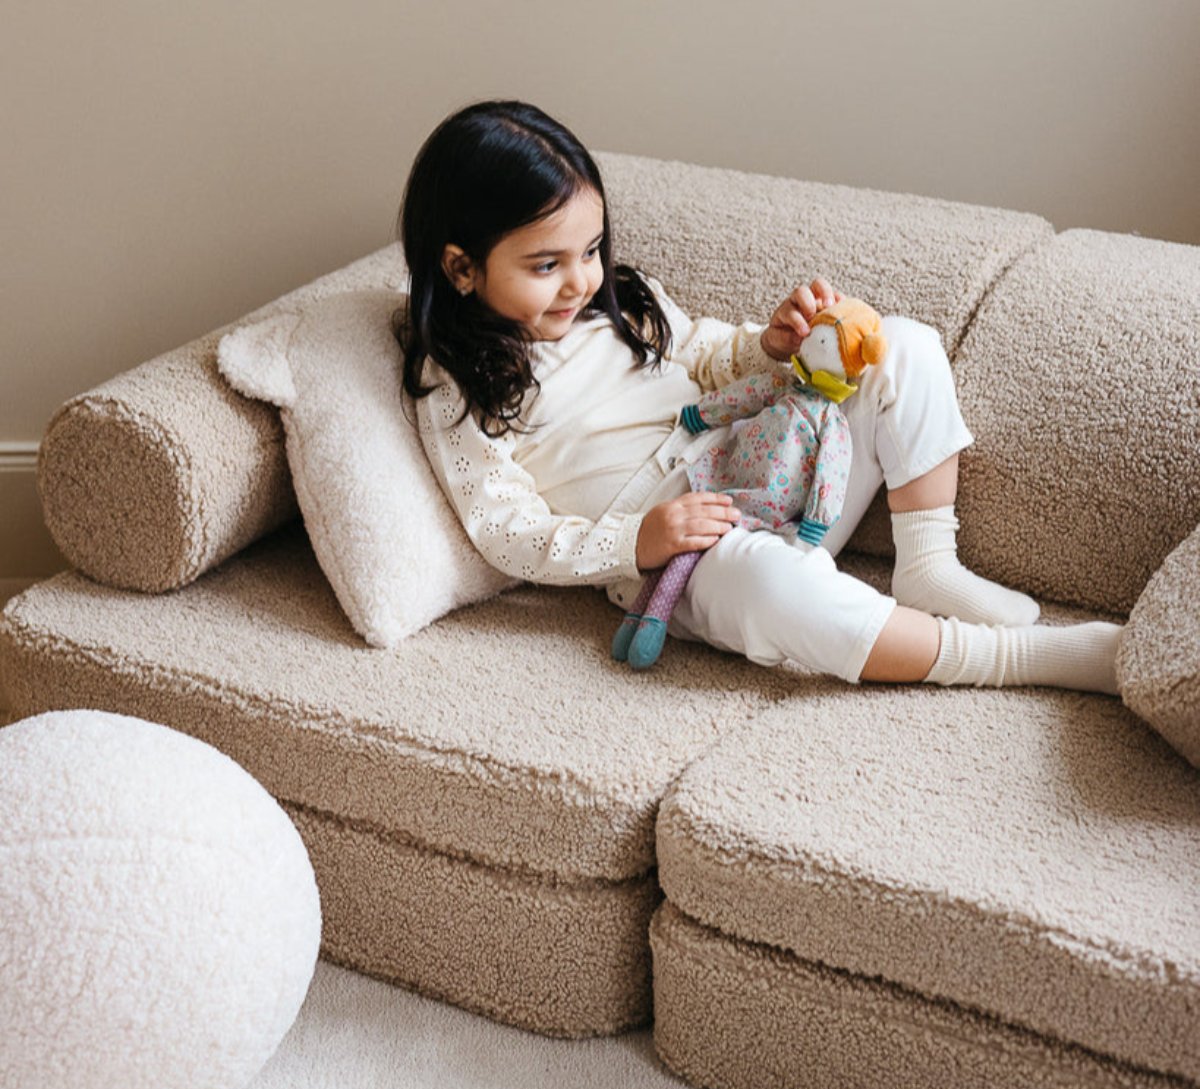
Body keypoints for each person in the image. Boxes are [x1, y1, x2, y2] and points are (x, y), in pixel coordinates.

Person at [396, 99, 1122, 693]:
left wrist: (770, 347)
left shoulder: (619, 302)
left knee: (901, 342)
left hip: (776, 463)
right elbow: (504, 528)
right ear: (460, 268)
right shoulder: (456, 384)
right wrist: (635, 542)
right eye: (546, 264)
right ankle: (1014, 661)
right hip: (689, 559)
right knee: (773, 587)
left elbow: (708, 357)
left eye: (589, 251)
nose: (579, 280)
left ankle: (929, 563)